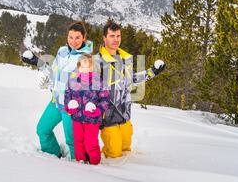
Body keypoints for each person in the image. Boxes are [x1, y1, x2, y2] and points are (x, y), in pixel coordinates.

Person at [22, 22, 93, 159]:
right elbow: (54, 72)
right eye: (70, 37)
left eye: (77, 37)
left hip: (72, 107)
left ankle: (80, 167)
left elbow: (85, 86)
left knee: (73, 141)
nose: (73, 41)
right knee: (42, 130)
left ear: (84, 38)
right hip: (56, 102)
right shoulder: (62, 51)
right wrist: (37, 62)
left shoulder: (86, 58)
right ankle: (52, 156)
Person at [96, 22, 166, 158]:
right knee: (113, 154)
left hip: (124, 115)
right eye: (112, 36)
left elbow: (131, 78)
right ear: (104, 38)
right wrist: (97, 116)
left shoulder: (125, 58)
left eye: (118, 36)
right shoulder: (97, 61)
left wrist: (152, 72)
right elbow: (91, 91)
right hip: (108, 118)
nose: (116, 39)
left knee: (126, 150)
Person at [64, 54, 110, 165]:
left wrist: (98, 110)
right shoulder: (73, 81)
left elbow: (105, 99)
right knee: (78, 141)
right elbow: (67, 96)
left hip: (92, 120)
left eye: (88, 67)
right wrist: (69, 107)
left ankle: (95, 162)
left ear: (92, 67)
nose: (85, 70)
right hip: (77, 118)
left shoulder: (98, 82)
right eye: (82, 67)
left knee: (90, 143)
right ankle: (80, 161)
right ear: (78, 67)